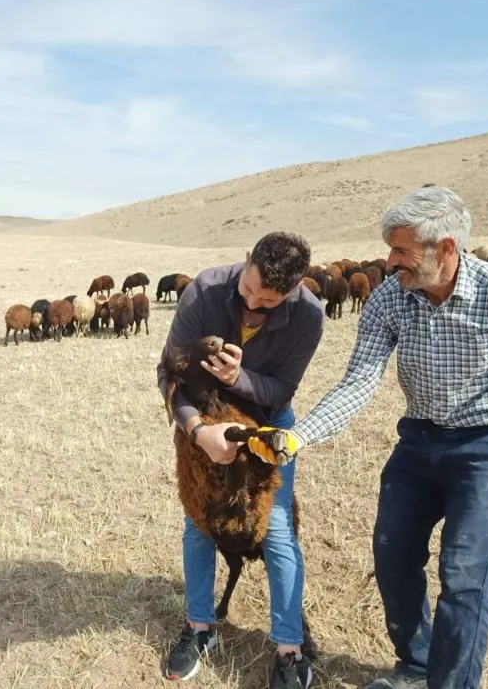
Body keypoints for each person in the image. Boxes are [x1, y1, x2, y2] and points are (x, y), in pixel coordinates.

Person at [272, 186, 488, 689]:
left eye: (402, 251)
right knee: (392, 557)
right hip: (419, 440)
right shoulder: (390, 297)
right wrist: (299, 437)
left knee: (465, 578)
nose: (390, 262)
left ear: (445, 249)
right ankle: (415, 665)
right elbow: (360, 379)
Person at [156, 231, 324, 689]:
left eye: (268, 300)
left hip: (266, 424)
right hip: (203, 417)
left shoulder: (309, 316)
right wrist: (198, 431)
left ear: (293, 289)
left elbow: (281, 391)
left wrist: (240, 377)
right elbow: (169, 371)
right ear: (246, 259)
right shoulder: (205, 291)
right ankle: (198, 626)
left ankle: (290, 650)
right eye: (248, 289)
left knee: (277, 525)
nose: (252, 303)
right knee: (198, 520)